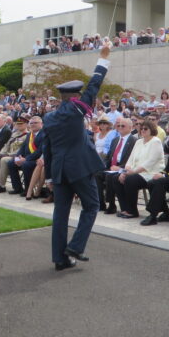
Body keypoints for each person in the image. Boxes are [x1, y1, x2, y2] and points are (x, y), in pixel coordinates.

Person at [43, 45, 111, 270]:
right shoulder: (75, 110)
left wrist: (50, 176)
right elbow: (94, 86)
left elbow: (48, 148)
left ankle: (60, 259)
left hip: (60, 170)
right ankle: (76, 246)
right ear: (75, 97)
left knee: (60, 215)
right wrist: (103, 59)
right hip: (80, 168)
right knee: (92, 206)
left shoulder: (50, 117)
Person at [114, 120, 166, 219]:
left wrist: (132, 172)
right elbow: (130, 159)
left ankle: (132, 211)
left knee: (130, 180)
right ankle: (125, 208)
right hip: (135, 172)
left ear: (152, 130)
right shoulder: (138, 142)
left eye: (145, 128)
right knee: (116, 178)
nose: (142, 130)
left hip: (150, 173)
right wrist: (126, 171)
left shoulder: (156, 141)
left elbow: (150, 162)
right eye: (141, 128)